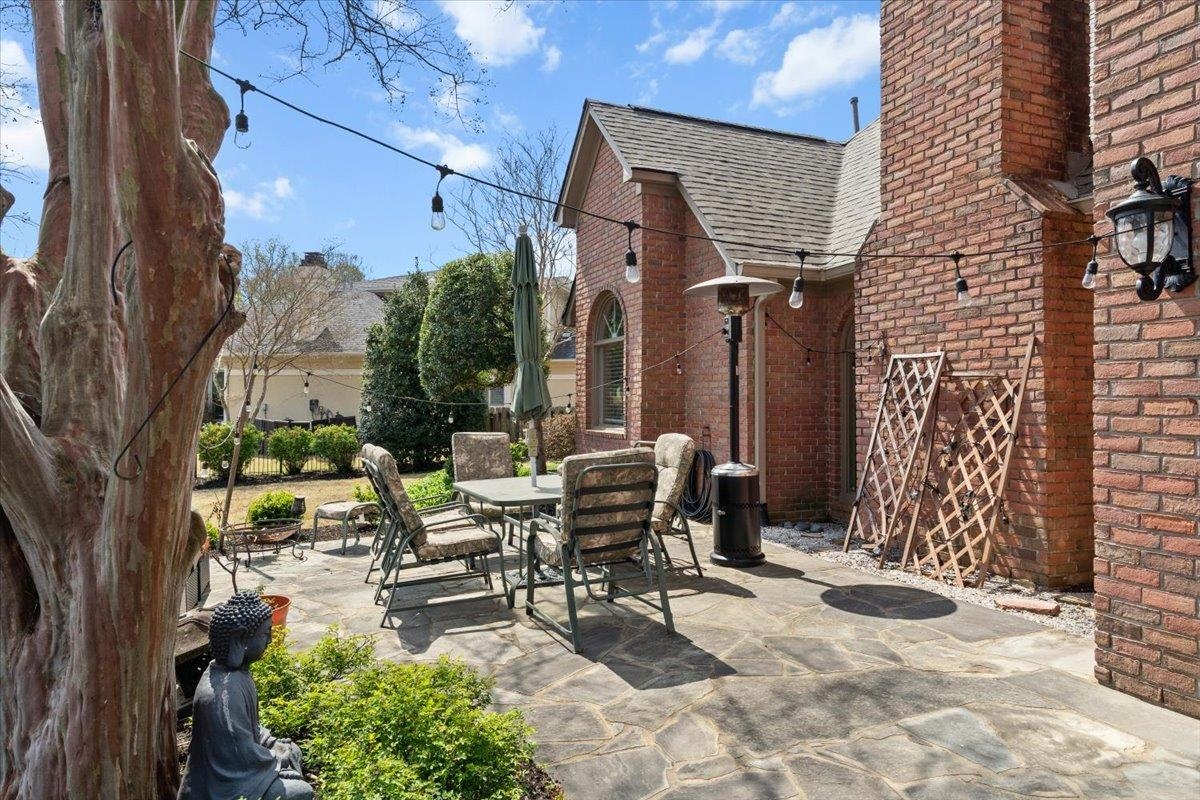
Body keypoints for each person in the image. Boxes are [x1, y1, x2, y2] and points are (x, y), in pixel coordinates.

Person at [178, 592, 313, 800]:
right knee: (301, 792)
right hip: (221, 786)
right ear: (241, 639)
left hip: (242, 767)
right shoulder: (222, 694)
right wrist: (275, 758)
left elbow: (248, 730)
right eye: (265, 633)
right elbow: (237, 759)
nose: (270, 639)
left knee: (292, 750)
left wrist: (270, 742)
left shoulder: (236, 675)